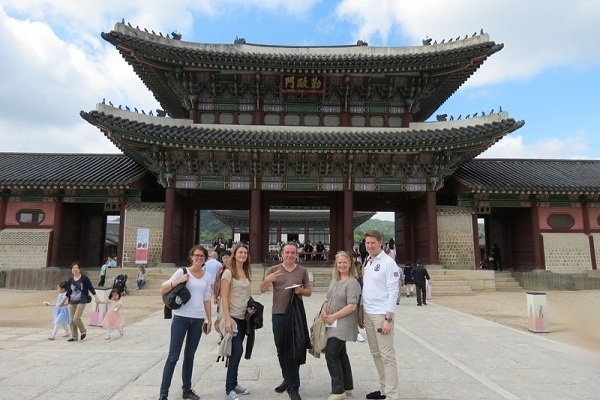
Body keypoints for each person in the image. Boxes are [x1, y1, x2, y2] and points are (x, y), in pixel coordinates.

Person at [158, 245, 212, 400]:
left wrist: (209, 319)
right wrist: (179, 281)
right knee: (173, 356)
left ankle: (187, 390)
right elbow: (163, 289)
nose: (199, 258)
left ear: (205, 259)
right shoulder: (182, 272)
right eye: (196, 255)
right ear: (191, 256)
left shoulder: (207, 276)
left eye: (202, 256)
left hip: (198, 319)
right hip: (181, 318)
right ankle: (163, 394)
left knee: (190, 356)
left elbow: (207, 298)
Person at [260, 243, 312, 400]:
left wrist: (300, 290)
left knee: (295, 348)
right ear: (281, 253)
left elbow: (309, 292)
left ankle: (293, 385)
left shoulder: (302, 271)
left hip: (296, 315)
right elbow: (262, 289)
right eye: (287, 252)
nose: (290, 255)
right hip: (279, 314)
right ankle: (287, 378)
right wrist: (267, 280)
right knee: (281, 348)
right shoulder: (274, 270)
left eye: (293, 253)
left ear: (297, 254)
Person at [358, 229, 399, 400]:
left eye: (372, 243)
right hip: (368, 313)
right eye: (367, 243)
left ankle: (392, 394)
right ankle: (383, 388)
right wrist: (361, 312)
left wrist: (388, 318)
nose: (369, 246)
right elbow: (366, 289)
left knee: (387, 356)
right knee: (376, 353)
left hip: (382, 314)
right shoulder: (368, 261)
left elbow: (393, 291)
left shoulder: (388, 263)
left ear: (380, 243)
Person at [320, 251, 361, 400]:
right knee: (341, 354)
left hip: (343, 322)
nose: (342, 265)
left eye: (345, 262)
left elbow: (352, 306)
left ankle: (338, 390)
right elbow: (327, 299)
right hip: (331, 320)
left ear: (350, 264)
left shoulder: (352, 282)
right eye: (339, 262)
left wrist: (333, 316)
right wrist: (324, 311)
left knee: (331, 353)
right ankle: (347, 387)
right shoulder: (334, 280)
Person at [219, 243, 252, 400]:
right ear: (234, 254)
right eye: (240, 252)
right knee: (236, 351)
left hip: (244, 316)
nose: (243, 255)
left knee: (238, 353)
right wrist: (227, 319)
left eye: (245, 253)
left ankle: (234, 383)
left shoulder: (245, 271)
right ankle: (229, 389)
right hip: (233, 317)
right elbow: (224, 296)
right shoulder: (228, 273)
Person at [62, 262, 101, 342]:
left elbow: (91, 288)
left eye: (76, 268)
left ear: (80, 269)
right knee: (72, 320)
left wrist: (96, 298)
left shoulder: (84, 279)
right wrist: (63, 301)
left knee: (76, 318)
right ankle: (74, 336)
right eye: (73, 268)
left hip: (82, 300)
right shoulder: (70, 280)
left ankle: (83, 331)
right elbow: (69, 292)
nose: (74, 270)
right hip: (72, 301)